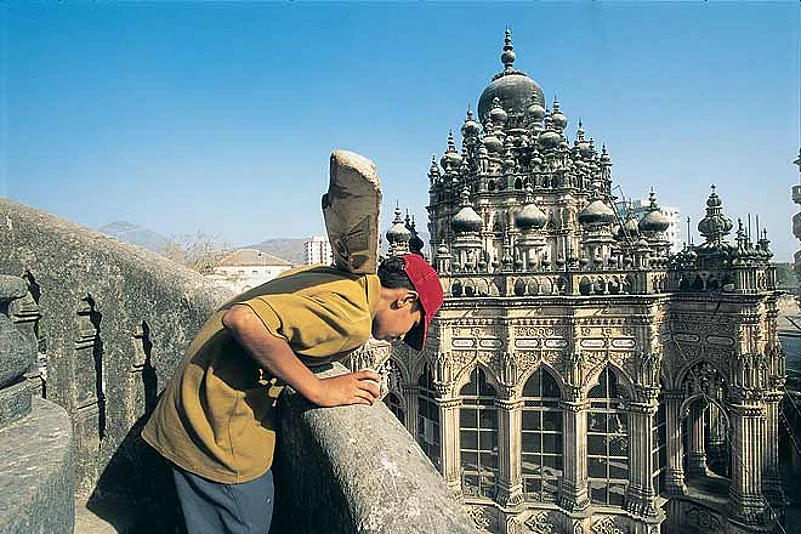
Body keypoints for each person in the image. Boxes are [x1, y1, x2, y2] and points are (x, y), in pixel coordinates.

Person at [141, 253, 444, 534]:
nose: (403, 337)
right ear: (405, 300)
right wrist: (319, 389)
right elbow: (243, 320)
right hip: (215, 424)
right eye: (413, 325)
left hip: (197, 404)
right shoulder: (353, 318)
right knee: (248, 520)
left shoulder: (347, 281)